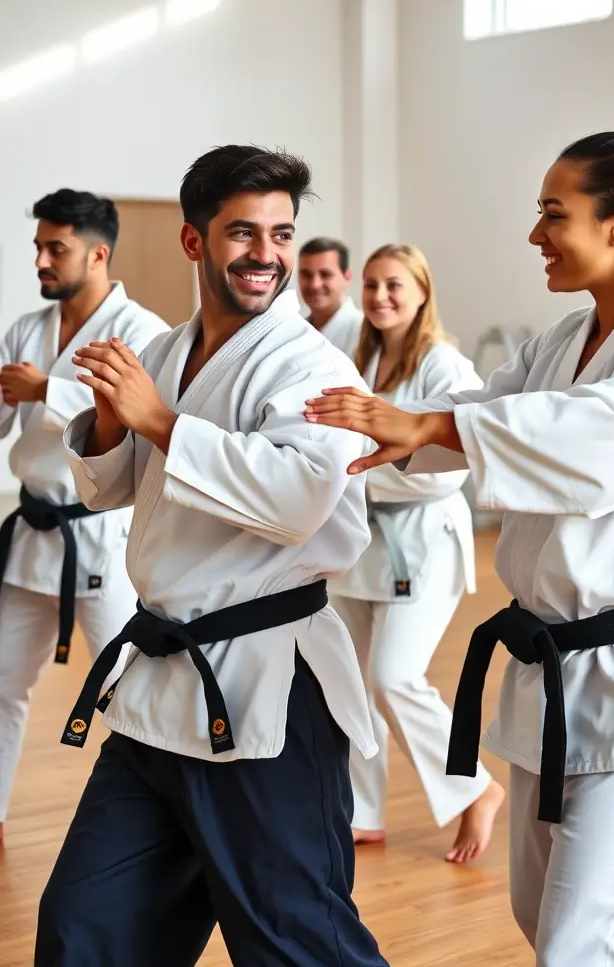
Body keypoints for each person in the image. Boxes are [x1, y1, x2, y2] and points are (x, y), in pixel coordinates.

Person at [306, 91, 614, 966]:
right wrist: (381, 429)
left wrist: (433, 425)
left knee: (588, 943)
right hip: (555, 678)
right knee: (564, 926)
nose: (536, 235)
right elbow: (483, 409)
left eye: (554, 215)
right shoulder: (566, 338)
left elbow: (597, 440)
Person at [35, 146, 388, 967]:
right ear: (195, 241)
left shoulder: (312, 364)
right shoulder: (166, 352)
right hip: (161, 686)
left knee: (295, 942)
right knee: (85, 927)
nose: (266, 253)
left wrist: (157, 421)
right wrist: (112, 420)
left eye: (281, 234)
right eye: (242, 232)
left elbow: (298, 501)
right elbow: (112, 488)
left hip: (266, 690)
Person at [0, 189, 167, 849]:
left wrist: (47, 388)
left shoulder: (143, 331)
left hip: (100, 536)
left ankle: (155, 830)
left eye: (56, 248)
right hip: (33, 531)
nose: (41, 260)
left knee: (126, 689)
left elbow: (137, 420)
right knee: (2, 682)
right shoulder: (27, 329)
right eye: (39, 247)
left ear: (98, 254)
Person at [329, 243, 504, 863]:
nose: (380, 296)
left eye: (394, 285)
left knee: (392, 677)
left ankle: (475, 788)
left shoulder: (444, 364)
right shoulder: (357, 357)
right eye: (372, 285)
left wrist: (358, 469)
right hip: (361, 540)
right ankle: (363, 812)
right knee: (350, 683)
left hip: (424, 540)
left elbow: (451, 466)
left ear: (422, 292)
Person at [299, 236, 363, 356]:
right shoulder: (295, 330)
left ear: (347, 278)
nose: (315, 285)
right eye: (306, 275)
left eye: (325, 275)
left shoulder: (364, 332)